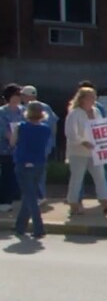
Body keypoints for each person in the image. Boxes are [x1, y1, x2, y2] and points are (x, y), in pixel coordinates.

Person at [64, 86, 107, 215]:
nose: (93, 99)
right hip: (78, 152)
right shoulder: (74, 113)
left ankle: (105, 202)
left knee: (100, 176)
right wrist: (82, 141)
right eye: (90, 97)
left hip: (96, 151)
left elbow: (101, 128)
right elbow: (70, 132)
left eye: (94, 96)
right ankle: (73, 204)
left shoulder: (96, 111)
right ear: (82, 99)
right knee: (77, 177)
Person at [11, 102, 51, 238]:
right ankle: (20, 226)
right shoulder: (46, 129)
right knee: (30, 194)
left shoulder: (20, 127)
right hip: (39, 163)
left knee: (30, 197)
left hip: (22, 162)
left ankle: (39, 227)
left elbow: (12, 142)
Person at [74, 81, 107, 202]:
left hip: (96, 144)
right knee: (84, 174)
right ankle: (79, 197)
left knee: (98, 172)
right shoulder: (75, 110)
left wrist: (106, 140)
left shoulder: (97, 108)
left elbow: (102, 125)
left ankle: (105, 195)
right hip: (83, 145)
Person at [20, 86, 58, 201]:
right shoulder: (46, 107)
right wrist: (52, 141)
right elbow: (54, 125)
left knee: (30, 171)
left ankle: (37, 195)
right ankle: (40, 195)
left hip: (31, 146)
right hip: (45, 144)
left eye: (23, 95)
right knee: (41, 170)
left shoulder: (25, 108)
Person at [0, 84, 26, 213]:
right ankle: (4, 201)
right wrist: (13, 140)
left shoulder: (24, 111)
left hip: (21, 149)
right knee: (7, 174)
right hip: (5, 149)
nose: (19, 98)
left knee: (18, 175)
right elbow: (4, 130)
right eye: (16, 95)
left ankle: (15, 197)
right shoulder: (2, 112)